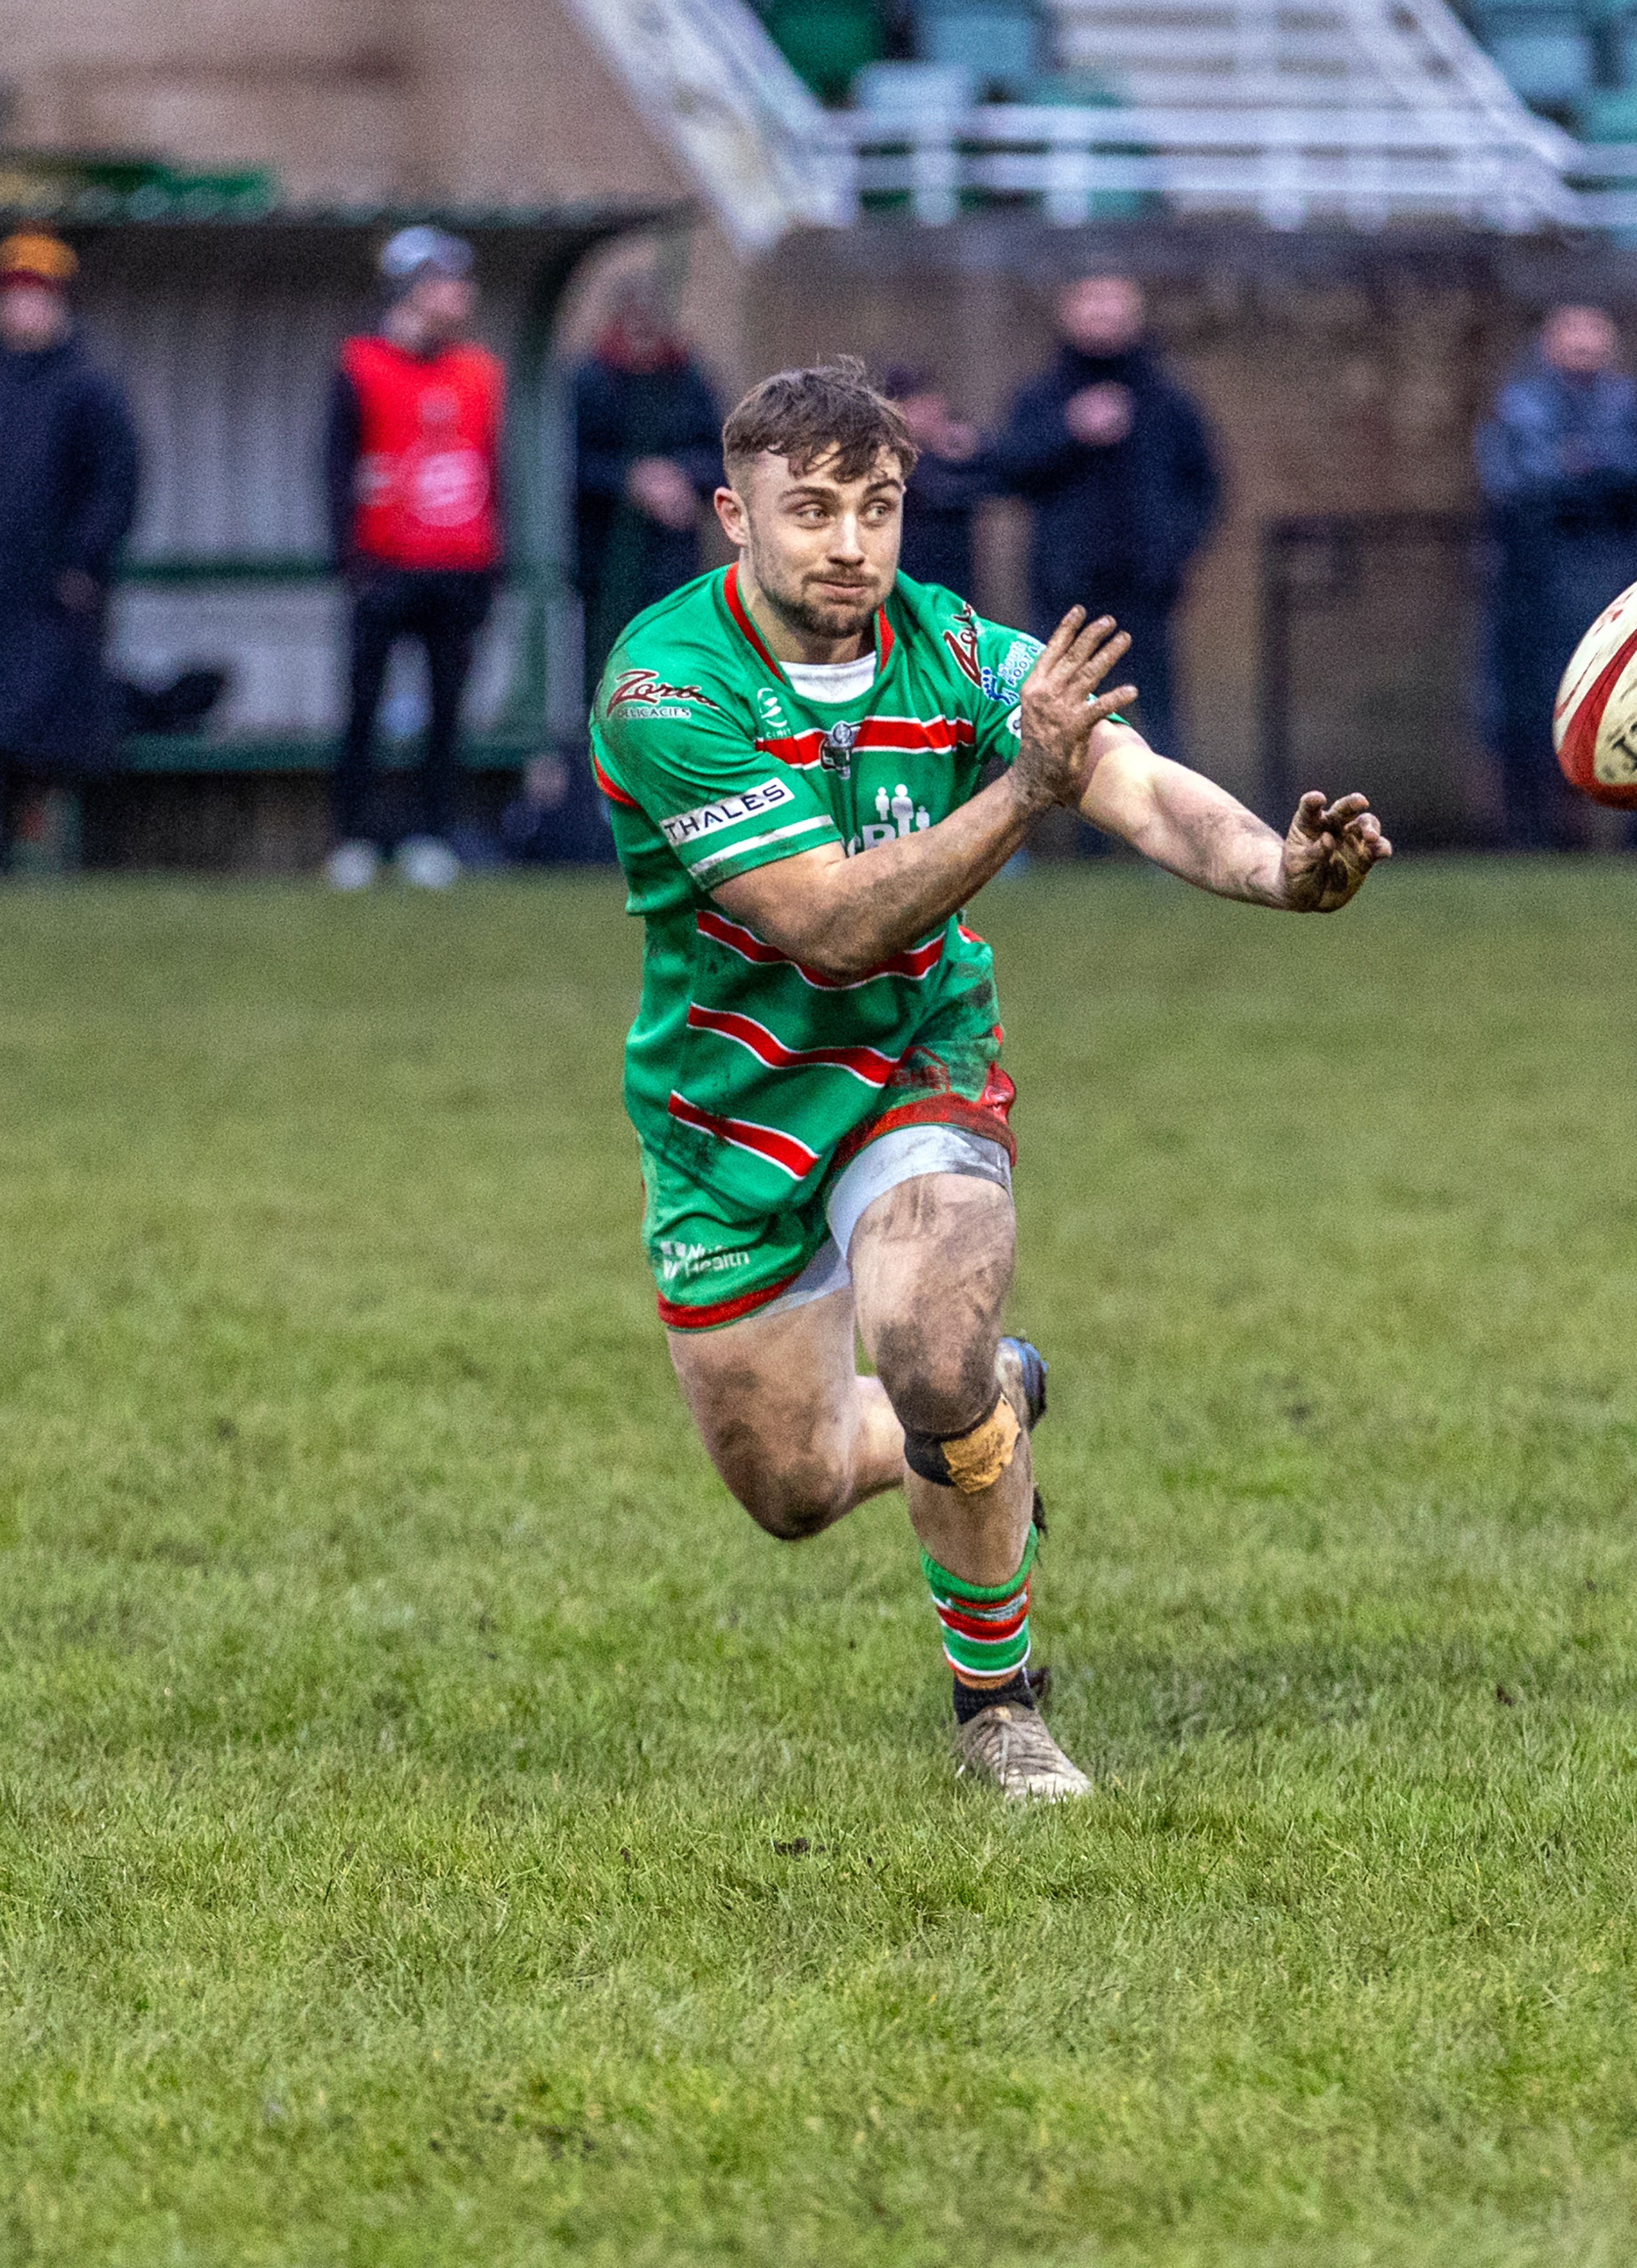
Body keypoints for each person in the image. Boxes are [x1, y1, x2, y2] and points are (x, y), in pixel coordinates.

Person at [584, 360, 1389, 1802]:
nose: (849, 543)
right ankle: (988, 1407)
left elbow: (1132, 782)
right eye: (810, 509)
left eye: (878, 508)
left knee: (929, 1346)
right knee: (798, 1487)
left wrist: (1277, 867)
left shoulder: (953, 652)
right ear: (733, 516)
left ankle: (999, 1712)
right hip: (732, 1117)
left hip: (919, 1063)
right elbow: (829, 923)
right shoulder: (665, 688)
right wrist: (1023, 788)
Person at [0, 232, 141, 878]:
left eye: (37, 298)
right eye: (13, 298)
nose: (24, 312)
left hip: (53, 595)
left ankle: (52, 856)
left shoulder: (90, 393)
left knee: (51, 734)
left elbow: (115, 487)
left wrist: (83, 566)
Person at [323, 226, 505, 892]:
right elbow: (337, 470)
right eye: (448, 282)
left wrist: (496, 557)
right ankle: (354, 839)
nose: (462, 295)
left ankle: (433, 835)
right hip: (384, 564)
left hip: (460, 565)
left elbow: (493, 468)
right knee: (364, 706)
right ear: (412, 290)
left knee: (448, 712)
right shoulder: (360, 366)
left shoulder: (480, 372)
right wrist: (349, 562)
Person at [992, 274, 1222, 765]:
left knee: (1159, 720)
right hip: (1064, 595)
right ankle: (1083, 840)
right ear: (1068, 315)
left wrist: (1170, 553)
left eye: (1114, 309)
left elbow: (1205, 487)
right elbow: (1008, 469)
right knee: (1066, 717)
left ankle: (1171, 834)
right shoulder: (1041, 396)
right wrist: (1070, 430)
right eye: (1092, 308)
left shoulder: (1169, 401)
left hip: (1145, 592)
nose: (1104, 320)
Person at [1474, 304, 1637, 850]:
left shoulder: (1627, 403)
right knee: (1528, 706)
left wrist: (1573, 474)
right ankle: (1529, 831)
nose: (1583, 346)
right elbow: (1513, 485)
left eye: (1595, 336)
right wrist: (1585, 476)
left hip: (1607, 577)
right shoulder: (1518, 405)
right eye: (1572, 335)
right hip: (1531, 581)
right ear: (1549, 342)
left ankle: (1618, 831)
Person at [572, 277, 726, 687]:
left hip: (671, 556)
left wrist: (681, 477)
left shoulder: (688, 379)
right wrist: (631, 481)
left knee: (668, 664)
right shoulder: (588, 382)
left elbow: (721, 455)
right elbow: (569, 466)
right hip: (602, 560)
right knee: (605, 667)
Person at [880, 365, 996, 602]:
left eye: (930, 402)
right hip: (905, 579)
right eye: (916, 405)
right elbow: (935, 492)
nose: (929, 412)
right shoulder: (885, 460)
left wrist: (973, 450)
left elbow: (1002, 478)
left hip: (957, 581)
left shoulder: (959, 450)